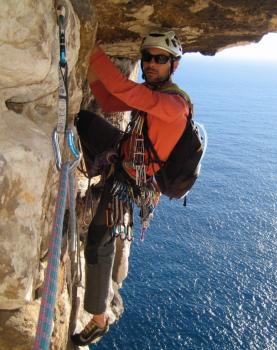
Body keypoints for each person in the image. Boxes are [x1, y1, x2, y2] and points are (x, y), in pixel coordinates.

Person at [71, 30, 191, 346]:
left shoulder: (173, 104)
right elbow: (112, 99)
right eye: (147, 57)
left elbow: (122, 88)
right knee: (84, 119)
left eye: (159, 58)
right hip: (121, 154)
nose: (151, 63)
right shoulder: (153, 94)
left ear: (173, 64)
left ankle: (98, 318)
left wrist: (90, 46)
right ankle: (82, 170)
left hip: (131, 181)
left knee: (98, 243)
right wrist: (89, 71)